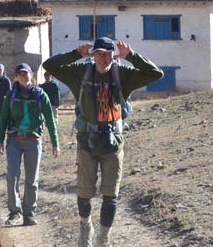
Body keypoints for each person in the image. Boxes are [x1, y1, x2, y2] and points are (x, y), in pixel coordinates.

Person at [44, 37, 163, 247]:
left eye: (108, 54)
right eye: (98, 53)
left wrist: (131, 56)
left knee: (111, 195)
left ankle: (103, 238)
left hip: (113, 143)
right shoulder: (80, 72)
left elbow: (156, 74)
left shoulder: (121, 74)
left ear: (113, 55)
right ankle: (85, 227)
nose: (103, 58)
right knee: (84, 193)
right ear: (93, 54)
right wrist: (76, 54)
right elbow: (49, 66)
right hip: (86, 143)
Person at [0, 62, 59, 227]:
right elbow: (3, 117)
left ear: (31, 75)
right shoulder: (11, 95)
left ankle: (29, 214)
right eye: (20, 74)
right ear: (16, 77)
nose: (24, 77)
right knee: (13, 176)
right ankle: (14, 213)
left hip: (33, 140)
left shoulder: (40, 95)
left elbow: (50, 120)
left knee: (32, 179)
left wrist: (55, 143)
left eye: (26, 73)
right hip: (14, 141)